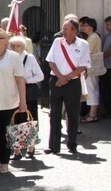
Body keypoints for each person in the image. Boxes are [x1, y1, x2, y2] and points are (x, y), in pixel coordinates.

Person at [0, 28, 27, 174]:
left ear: (5, 41)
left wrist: (23, 102)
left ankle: (4, 161)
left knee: (5, 131)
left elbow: (20, 80)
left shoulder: (14, 57)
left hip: (8, 99)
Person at [45, 18, 91, 155]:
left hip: (73, 82)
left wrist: (67, 78)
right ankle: (54, 146)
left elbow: (83, 66)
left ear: (74, 31)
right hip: (56, 81)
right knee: (54, 114)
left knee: (72, 114)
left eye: (66, 29)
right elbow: (51, 62)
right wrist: (60, 77)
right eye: (63, 28)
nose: (63, 31)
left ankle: (72, 144)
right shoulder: (57, 42)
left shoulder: (83, 44)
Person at [8, 36, 43, 159]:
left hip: (29, 93)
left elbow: (40, 76)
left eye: (18, 45)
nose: (15, 48)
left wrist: (27, 80)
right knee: (15, 120)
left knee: (30, 119)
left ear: (23, 47)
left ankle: (31, 147)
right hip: (13, 92)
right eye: (12, 45)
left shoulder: (30, 58)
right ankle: (16, 150)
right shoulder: (9, 58)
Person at [80, 18, 102, 123]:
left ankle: (93, 114)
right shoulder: (90, 37)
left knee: (92, 89)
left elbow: (87, 53)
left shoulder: (93, 37)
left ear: (91, 27)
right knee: (90, 89)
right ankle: (91, 113)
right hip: (89, 67)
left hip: (91, 68)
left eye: (86, 25)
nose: (83, 27)